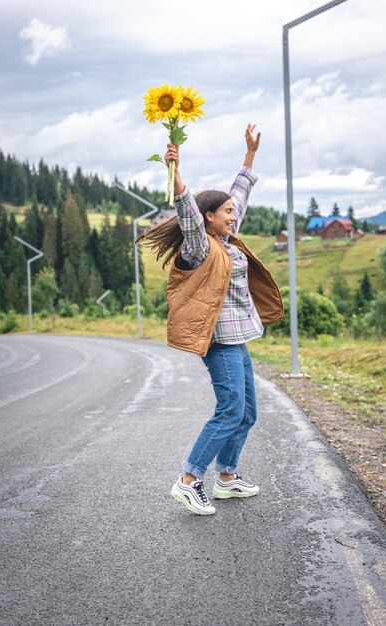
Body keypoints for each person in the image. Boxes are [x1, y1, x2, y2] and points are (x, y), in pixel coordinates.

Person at [137, 124, 284, 515]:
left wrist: (250, 155)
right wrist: (176, 170)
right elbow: (187, 211)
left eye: (234, 212)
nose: (235, 216)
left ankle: (227, 479)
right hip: (218, 341)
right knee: (230, 409)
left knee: (247, 412)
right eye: (228, 213)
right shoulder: (201, 245)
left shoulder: (227, 238)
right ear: (209, 217)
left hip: (238, 338)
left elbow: (239, 194)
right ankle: (188, 480)